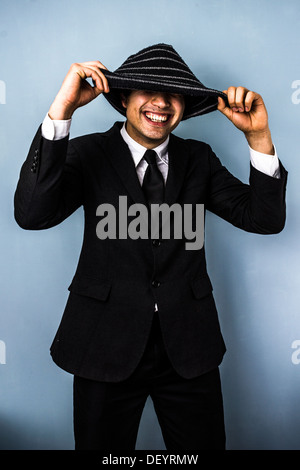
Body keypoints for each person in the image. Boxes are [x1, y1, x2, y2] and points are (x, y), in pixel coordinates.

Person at [14, 43, 287, 450]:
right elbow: (32, 214)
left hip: (189, 346)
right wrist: (63, 111)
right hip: (103, 342)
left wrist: (259, 136)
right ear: (123, 97)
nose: (160, 102)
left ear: (184, 105)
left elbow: (265, 219)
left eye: (173, 93)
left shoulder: (199, 159)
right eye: (146, 89)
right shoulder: (89, 153)